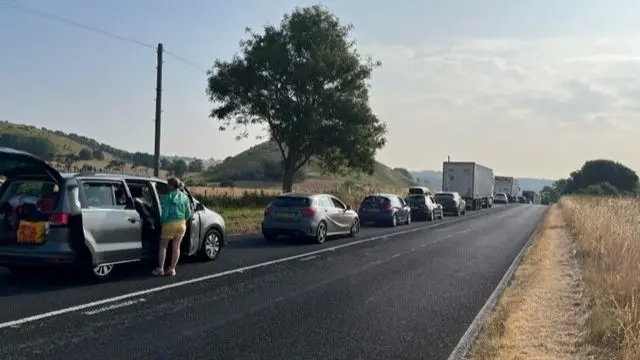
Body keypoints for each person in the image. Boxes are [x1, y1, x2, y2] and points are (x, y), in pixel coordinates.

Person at [153, 177, 192, 277]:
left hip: (169, 224)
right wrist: (183, 221)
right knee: (176, 247)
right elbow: (188, 213)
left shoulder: (166, 197)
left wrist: (161, 221)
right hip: (181, 224)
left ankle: (161, 268)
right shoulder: (185, 197)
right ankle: (172, 269)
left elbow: (164, 213)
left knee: (163, 246)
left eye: (168, 184)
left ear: (170, 185)